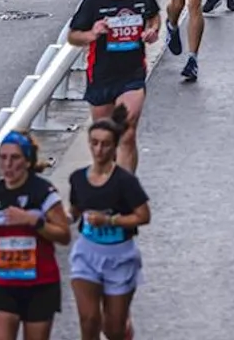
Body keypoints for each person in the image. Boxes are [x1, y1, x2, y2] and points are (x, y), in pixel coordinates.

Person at [67, 0, 162, 172]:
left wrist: (152, 30)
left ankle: (126, 190)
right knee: (105, 139)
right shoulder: (94, 1)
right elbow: (73, 36)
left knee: (126, 134)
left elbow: (154, 16)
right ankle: (107, 183)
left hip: (132, 76)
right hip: (101, 77)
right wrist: (92, 34)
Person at [0, 130, 71, 339]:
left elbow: (64, 235)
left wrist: (33, 221)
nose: (7, 164)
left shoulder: (43, 192)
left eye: (15, 158)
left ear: (27, 162)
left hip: (40, 284)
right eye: (3, 157)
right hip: (3, 282)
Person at [66, 111, 151, 340]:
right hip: (86, 253)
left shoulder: (125, 182)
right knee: (89, 319)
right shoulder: (78, 179)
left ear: (114, 147)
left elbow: (143, 216)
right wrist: (61, 219)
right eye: (94, 143)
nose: (99, 150)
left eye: (105, 144)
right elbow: (75, 211)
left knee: (114, 329)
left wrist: (110, 220)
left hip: (120, 255)